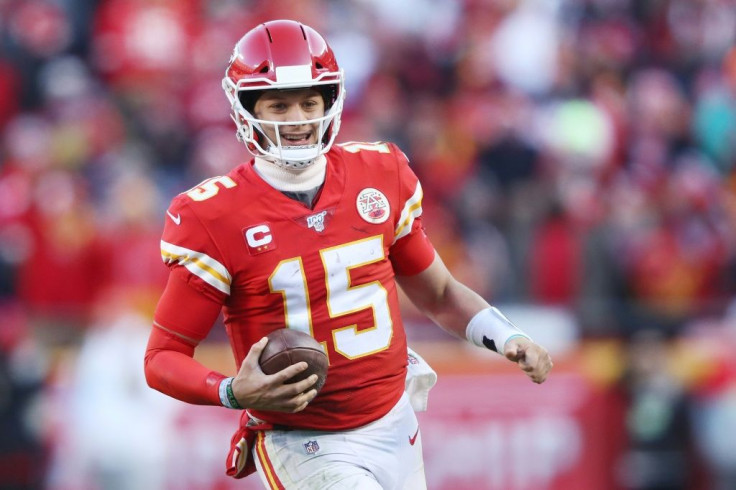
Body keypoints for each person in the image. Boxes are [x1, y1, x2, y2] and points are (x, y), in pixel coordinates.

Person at [144, 19, 553, 490]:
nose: (296, 119)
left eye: (308, 102)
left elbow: (439, 294)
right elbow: (163, 355)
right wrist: (232, 391)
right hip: (302, 440)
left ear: (330, 102)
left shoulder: (379, 173)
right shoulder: (216, 215)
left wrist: (506, 337)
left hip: (394, 421)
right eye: (278, 104)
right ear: (246, 109)